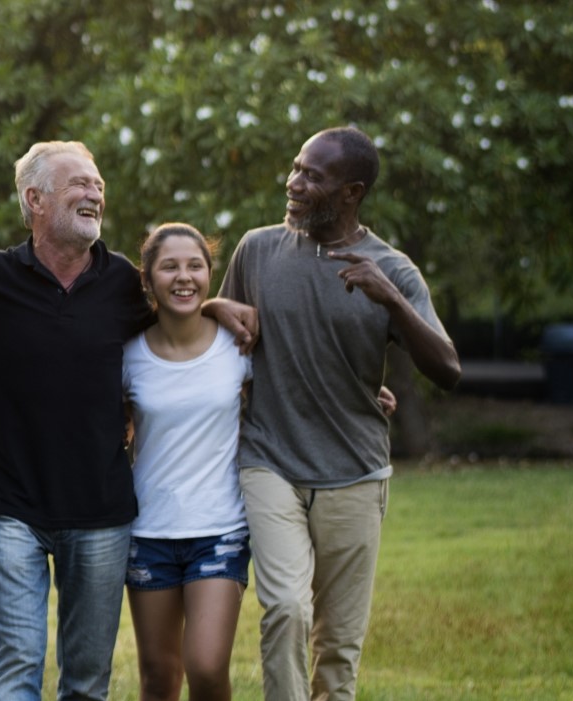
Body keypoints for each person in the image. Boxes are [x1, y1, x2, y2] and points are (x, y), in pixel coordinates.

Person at [0, 142, 256, 701]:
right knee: (17, 665)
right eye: (78, 184)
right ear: (34, 199)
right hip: (11, 504)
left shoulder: (125, 285)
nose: (94, 194)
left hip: (102, 510)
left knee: (87, 679)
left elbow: (179, 304)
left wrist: (214, 306)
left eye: (98, 186)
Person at [219, 127, 459, 701]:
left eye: (311, 176)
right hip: (269, 460)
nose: (293, 183)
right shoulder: (257, 250)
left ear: (351, 192)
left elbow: (448, 369)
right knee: (285, 609)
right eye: (295, 168)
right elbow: (215, 339)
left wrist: (391, 301)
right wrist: (208, 304)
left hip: (355, 472)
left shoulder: (392, 270)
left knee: (339, 649)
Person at [120, 223, 252, 701]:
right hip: (148, 532)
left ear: (210, 273)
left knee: (207, 666)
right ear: (148, 278)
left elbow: (298, 385)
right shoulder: (128, 355)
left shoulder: (238, 346)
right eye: (169, 266)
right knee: (158, 676)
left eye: (195, 265)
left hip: (220, 530)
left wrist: (363, 396)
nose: (184, 277)